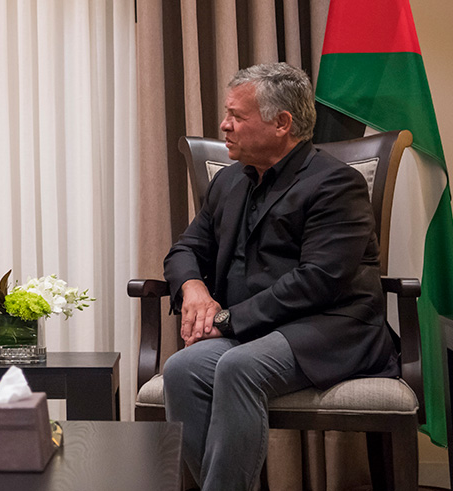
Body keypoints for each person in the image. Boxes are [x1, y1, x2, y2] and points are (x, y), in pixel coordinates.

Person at [162, 63, 399, 490]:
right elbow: (186, 248)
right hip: (255, 330)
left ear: (282, 123)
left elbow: (319, 279)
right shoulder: (229, 181)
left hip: (329, 327)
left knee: (237, 367)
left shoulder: (335, 184)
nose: (224, 125)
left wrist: (225, 321)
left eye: (237, 115)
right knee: (181, 370)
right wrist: (193, 288)